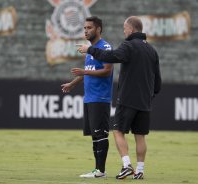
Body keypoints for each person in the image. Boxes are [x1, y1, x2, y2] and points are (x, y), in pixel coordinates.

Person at [76, 16, 161, 180]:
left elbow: (112, 57)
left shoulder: (128, 45)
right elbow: (158, 81)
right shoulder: (152, 50)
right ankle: (140, 170)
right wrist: (151, 95)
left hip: (128, 98)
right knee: (140, 136)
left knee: (118, 131)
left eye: (124, 28)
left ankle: (127, 165)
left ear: (131, 29)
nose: (124, 31)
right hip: (145, 101)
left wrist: (90, 49)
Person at [61, 16, 113, 178]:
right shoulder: (90, 49)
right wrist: (73, 83)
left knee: (101, 133)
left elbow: (107, 70)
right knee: (94, 135)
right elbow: (89, 70)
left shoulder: (105, 47)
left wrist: (84, 72)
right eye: (84, 28)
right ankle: (97, 170)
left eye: (89, 28)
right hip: (89, 98)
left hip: (101, 97)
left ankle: (100, 171)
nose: (85, 30)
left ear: (98, 29)